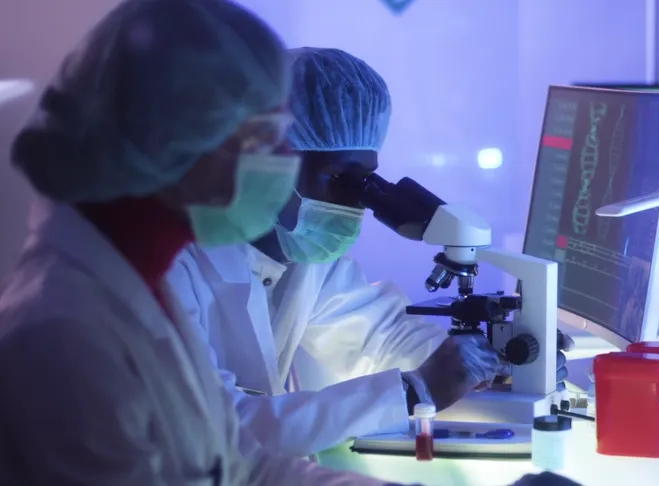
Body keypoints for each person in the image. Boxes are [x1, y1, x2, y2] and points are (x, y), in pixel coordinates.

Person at [0, 1, 417, 484]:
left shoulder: (141, 286)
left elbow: (245, 466)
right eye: (264, 137)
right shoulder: (64, 333)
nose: (282, 160)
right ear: (173, 139)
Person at [164, 46, 574, 457]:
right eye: (341, 178)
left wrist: (493, 363)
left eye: (366, 180)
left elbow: (379, 338)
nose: (357, 201)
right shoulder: (168, 265)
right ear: (266, 163)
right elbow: (220, 429)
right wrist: (417, 390)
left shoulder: (300, 257)